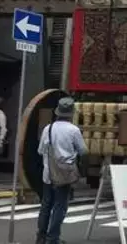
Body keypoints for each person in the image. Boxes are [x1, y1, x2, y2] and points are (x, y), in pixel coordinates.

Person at [36, 96, 86, 244]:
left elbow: (40, 151)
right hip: (64, 174)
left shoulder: (48, 128)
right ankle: (53, 238)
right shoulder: (74, 130)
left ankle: (41, 236)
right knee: (60, 206)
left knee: (46, 205)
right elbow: (83, 151)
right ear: (71, 114)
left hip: (48, 174)